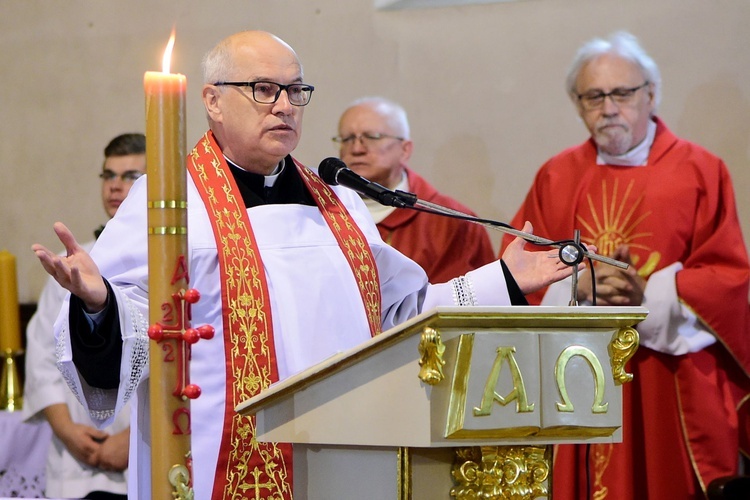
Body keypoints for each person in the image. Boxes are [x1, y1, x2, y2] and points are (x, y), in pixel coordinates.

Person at [32, 31, 582, 500]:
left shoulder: (338, 204)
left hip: (348, 455)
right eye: (264, 89)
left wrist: (505, 279)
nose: (285, 105)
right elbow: (140, 327)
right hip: (217, 459)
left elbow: (401, 317)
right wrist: (99, 304)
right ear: (212, 100)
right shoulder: (169, 201)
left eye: (296, 90)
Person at [501, 31, 750, 499]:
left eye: (622, 93)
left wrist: (649, 298)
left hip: (665, 382)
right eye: (594, 96)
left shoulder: (701, 170)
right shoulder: (556, 176)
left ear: (651, 95)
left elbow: (727, 277)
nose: (609, 107)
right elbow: (518, 268)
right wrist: (578, 288)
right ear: (578, 105)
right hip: (574, 376)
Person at [23, 133, 146, 499]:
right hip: (75, 466)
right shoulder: (74, 264)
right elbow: (42, 359)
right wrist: (70, 434)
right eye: (109, 175)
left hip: (140, 452)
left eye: (130, 176)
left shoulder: (169, 260)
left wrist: (135, 437)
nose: (114, 185)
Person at [335, 97, 496, 282]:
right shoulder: (320, 215)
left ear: (405, 150)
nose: (356, 149)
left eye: (372, 137)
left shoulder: (451, 223)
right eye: (346, 139)